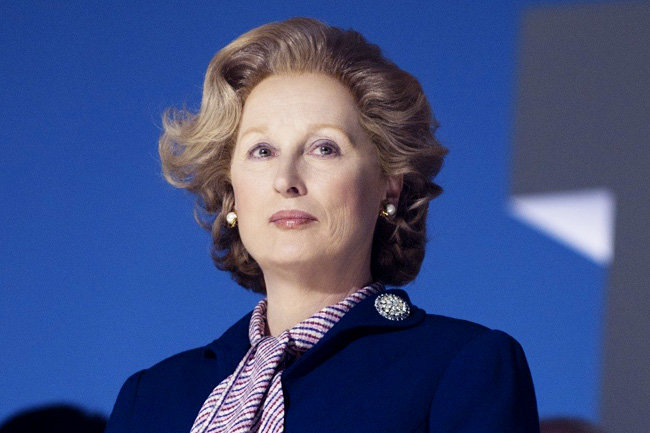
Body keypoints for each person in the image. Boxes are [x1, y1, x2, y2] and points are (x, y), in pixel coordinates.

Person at [105, 17, 540, 433]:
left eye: (324, 148)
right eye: (262, 151)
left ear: (389, 185)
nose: (286, 180)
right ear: (231, 191)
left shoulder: (459, 365)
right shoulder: (151, 398)